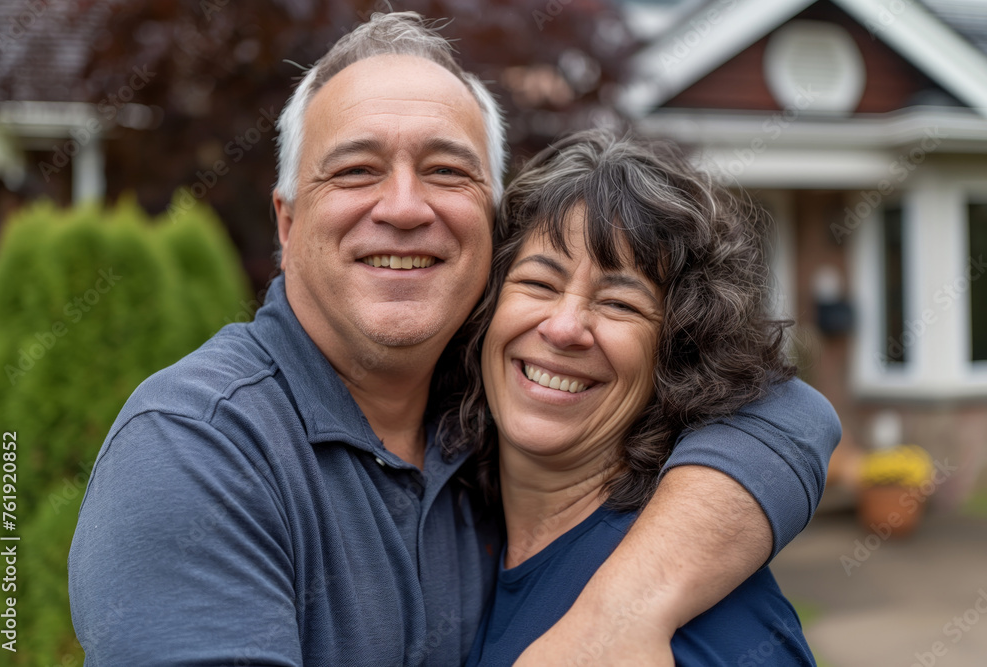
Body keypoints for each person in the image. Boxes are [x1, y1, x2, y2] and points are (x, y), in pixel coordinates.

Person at [68, 12, 840, 666]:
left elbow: (787, 412)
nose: (404, 207)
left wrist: (623, 609)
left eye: (445, 171)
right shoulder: (197, 448)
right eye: (357, 170)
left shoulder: (480, 419)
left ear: (489, 225)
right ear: (287, 220)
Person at [456, 129, 819, 665]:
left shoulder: (706, 618)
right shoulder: (459, 533)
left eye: (620, 304)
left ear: (676, 353)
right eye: (539, 283)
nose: (563, 328)